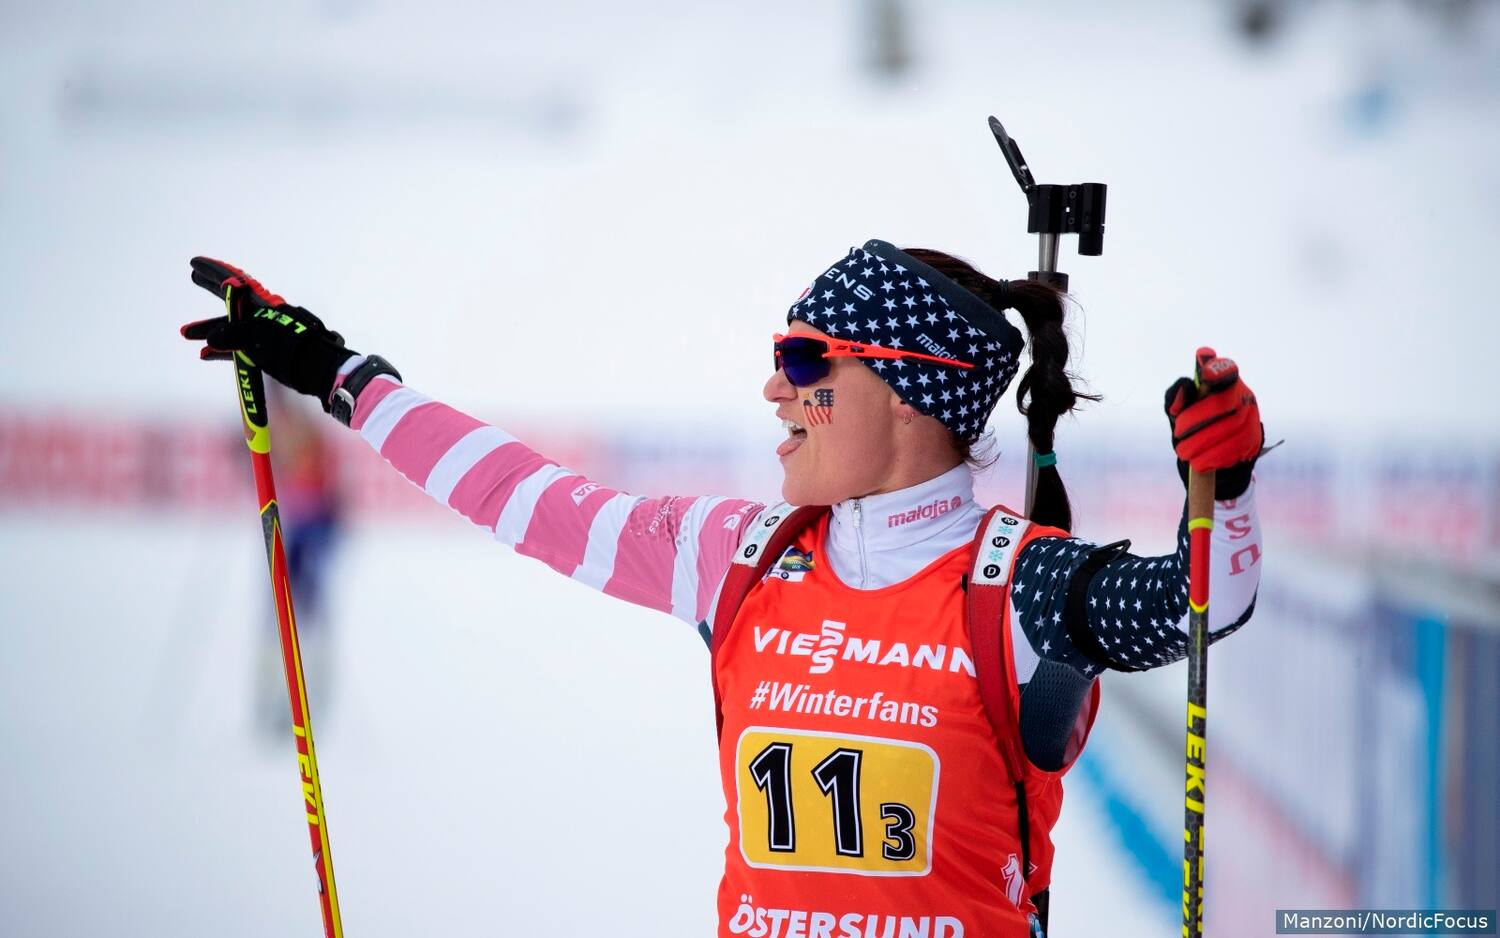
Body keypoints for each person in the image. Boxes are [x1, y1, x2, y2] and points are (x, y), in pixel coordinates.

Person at [181, 241, 1266, 937]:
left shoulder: (1018, 582)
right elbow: (527, 498)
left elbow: (1197, 603)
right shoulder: (741, 554)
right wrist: (336, 372)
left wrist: (1227, 486)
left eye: (806, 361)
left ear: (905, 394)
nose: (773, 388)